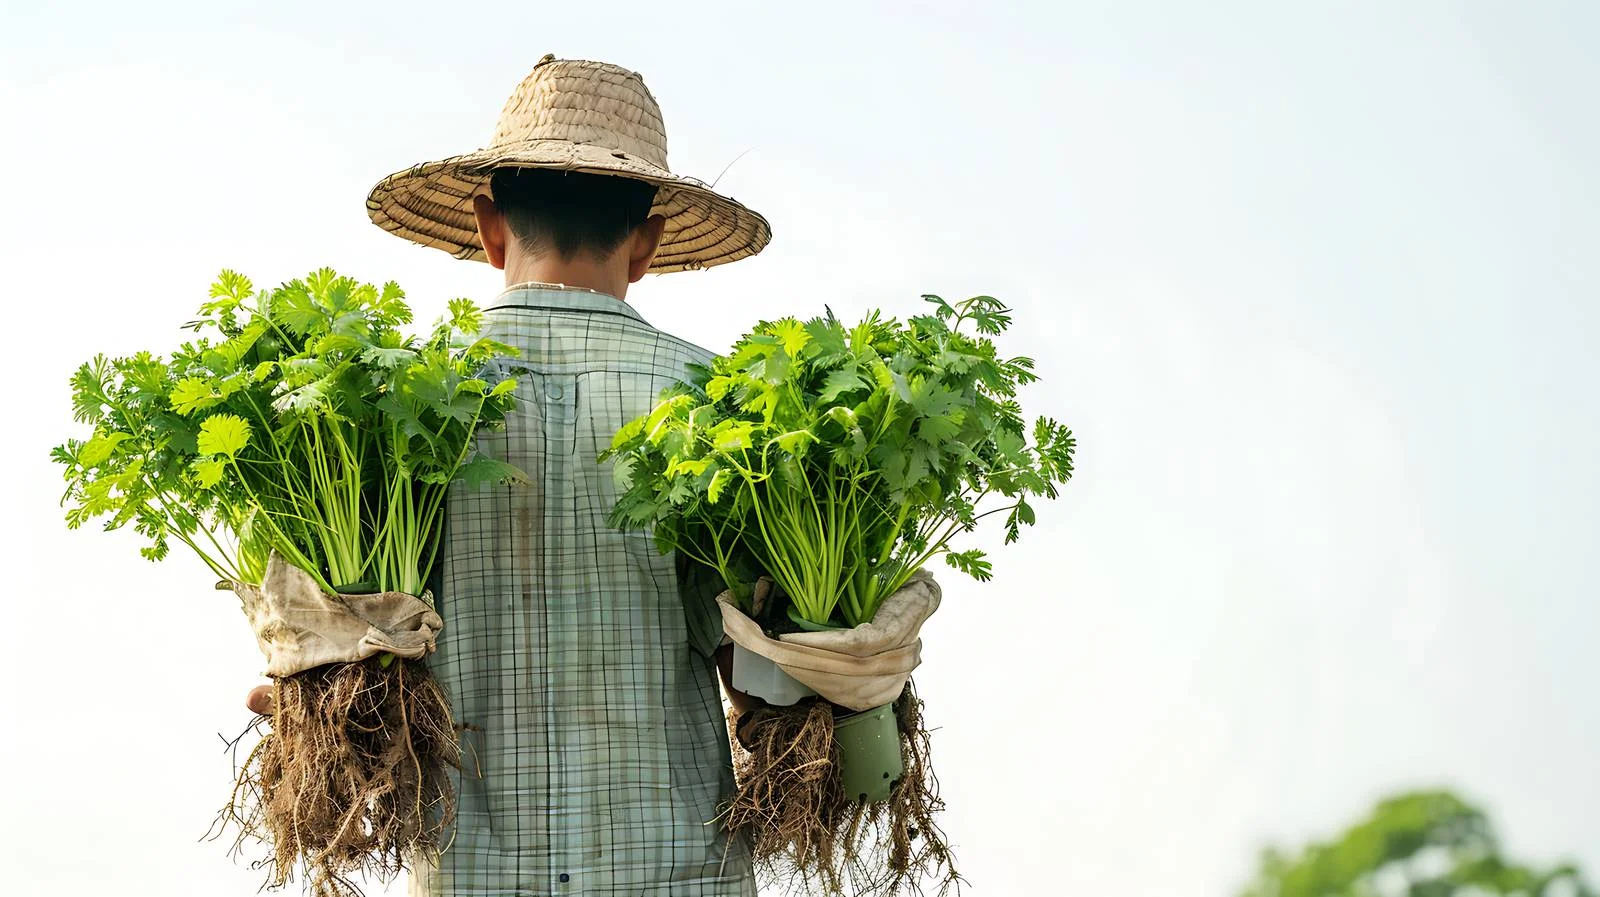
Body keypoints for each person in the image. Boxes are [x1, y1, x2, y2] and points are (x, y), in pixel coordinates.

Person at [247, 55, 771, 896]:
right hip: (682, 873)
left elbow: (339, 641)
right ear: (647, 242)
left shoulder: (387, 409)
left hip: (472, 875)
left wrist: (320, 712)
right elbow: (762, 672)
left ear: (490, 227)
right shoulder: (722, 406)